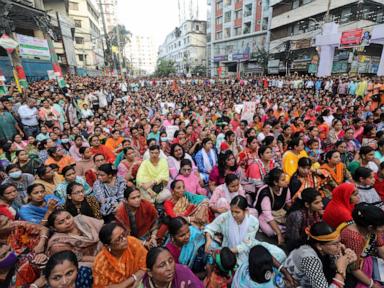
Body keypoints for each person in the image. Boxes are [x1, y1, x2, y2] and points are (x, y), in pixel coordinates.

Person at [205, 196, 286, 265]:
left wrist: (227, 251)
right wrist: (208, 240)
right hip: (228, 246)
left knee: (280, 254)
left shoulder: (253, 222)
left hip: (248, 247)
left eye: (237, 212)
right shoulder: (226, 217)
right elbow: (210, 228)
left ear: (246, 211)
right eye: (232, 211)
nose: (233, 215)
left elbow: (246, 245)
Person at [284, 221, 357, 288]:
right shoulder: (309, 258)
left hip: (315, 278)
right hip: (296, 285)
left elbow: (334, 264)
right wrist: (341, 270)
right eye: (335, 244)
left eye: (339, 242)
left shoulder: (324, 248)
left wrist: (346, 258)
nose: (340, 246)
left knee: (351, 280)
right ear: (319, 246)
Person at [340, 203, 384, 288]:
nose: (383, 228)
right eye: (382, 226)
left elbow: (380, 246)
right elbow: (353, 268)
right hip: (354, 270)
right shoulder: (354, 238)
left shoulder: (369, 227)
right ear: (370, 227)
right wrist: (373, 285)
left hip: (365, 261)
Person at [93, 222, 147, 288]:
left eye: (124, 234)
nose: (124, 239)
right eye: (118, 239)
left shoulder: (132, 242)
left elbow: (147, 265)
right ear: (107, 246)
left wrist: (124, 284)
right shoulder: (100, 263)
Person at [253, 168, 291, 244]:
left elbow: (288, 203)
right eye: (283, 180)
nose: (286, 181)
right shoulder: (265, 193)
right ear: (275, 182)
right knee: (270, 232)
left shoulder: (285, 188)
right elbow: (268, 216)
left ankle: (280, 229)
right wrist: (279, 233)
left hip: (279, 213)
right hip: (264, 215)